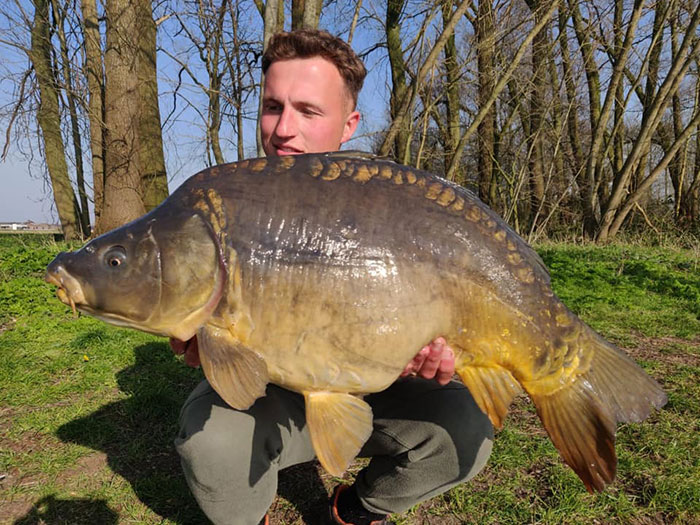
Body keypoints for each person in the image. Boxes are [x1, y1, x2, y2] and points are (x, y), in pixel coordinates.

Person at [171, 29, 493, 525]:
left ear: (350, 124)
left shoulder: (397, 207)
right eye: (273, 107)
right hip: (274, 394)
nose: (284, 129)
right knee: (211, 443)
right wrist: (205, 341)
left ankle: (354, 510)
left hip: (380, 388)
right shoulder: (228, 205)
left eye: (308, 111)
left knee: (467, 429)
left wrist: (428, 348)